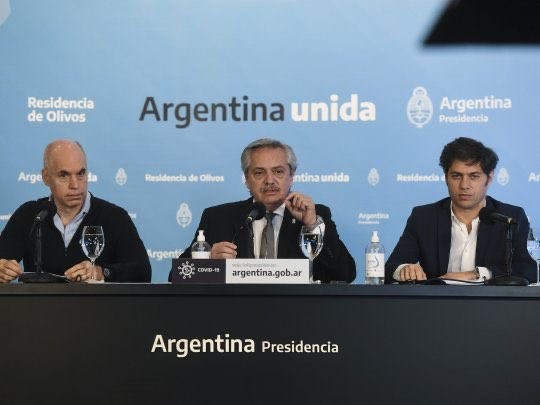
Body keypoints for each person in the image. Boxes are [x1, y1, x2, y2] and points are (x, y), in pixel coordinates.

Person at [176, 138, 356, 283]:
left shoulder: (315, 215)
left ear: (291, 176)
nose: (269, 180)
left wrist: (312, 226)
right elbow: (177, 276)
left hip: (297, 312)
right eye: (259, 173)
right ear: (247, 179)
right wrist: (207, 261)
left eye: (278, 172)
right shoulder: (218, 218)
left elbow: (345, 274)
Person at [385, 137, 536, 283]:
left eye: (474, 176)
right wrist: (404, 269)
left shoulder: (509, 218)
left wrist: (476, 274)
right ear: (446, 178)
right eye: (456, 176)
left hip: (489, 300)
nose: (464, 185)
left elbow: (527, 270)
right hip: (437, 299)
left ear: (489, 179)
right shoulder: (424, 217)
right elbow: (391, 267)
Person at [0, 139, 151, 283]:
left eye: (80, 174)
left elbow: (142, 272)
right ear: (46, 177)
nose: (75, 185)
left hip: (95, 302)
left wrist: (101, 272)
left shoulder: (114, 217)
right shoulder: (30, 215)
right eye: (64, 175)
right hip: (40, 302)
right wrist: (2, 270)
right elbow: (2, 261)